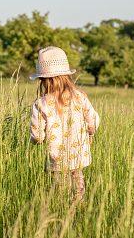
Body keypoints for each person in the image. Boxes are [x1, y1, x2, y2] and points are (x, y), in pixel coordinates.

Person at [29, 46, 100, 201]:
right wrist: (90, 132)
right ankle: (77, 212)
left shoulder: (41, 103)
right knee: (78, 188)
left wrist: (34, 141)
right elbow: (93, 121)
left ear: (43, 80)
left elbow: (38, 136)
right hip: (79, 156)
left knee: (60, 193)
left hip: (57, 159)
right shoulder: (80, 96)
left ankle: (63, 215)